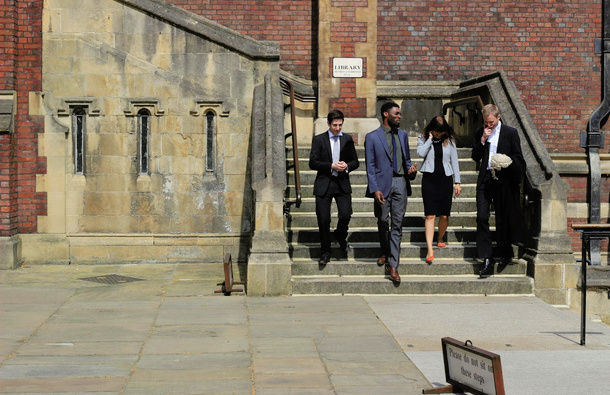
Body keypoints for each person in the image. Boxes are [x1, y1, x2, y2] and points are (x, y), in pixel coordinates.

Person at [364, 102, 417, 283]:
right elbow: (370, 166)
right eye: (396, 114)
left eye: (400, 114)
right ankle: (385, 251)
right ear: (386, 114)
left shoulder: (402, 135)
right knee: (382, 220)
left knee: (397, 224)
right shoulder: (372, 137)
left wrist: (411, 170)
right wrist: (375, 188)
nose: (399, 116)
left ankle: (393, 265)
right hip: (382, 184)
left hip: (400, 182)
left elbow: (407, 160)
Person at [472, 104, 526, 278]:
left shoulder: (510, 133)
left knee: (503, 218)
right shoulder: (482, 132)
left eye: (492, 122)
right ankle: (486, 257)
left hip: (503, 180)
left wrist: (507, 161)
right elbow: (475, 156)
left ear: (499, 117)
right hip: (486, 179)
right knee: (481, 216)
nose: (489, 125)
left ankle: (505, 252)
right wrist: (482, 140)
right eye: (486, 122)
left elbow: (519, 158)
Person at [309, 109, 359, 265]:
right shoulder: (319, 140)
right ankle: (325, 251)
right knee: (323, 219)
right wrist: (331, 166)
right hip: (325, 183)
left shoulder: (347, 139)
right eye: (335, 125)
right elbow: (312, 163)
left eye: (340, 125)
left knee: (345, 214)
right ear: (328, 124)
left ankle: (339, 234)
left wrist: (347, 166)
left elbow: (355, 161)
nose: (338, 128)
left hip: (342, 183)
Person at [417, 115, 461, 264]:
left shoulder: (450, 140)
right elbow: (421, 153)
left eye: (441, 132)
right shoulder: (423, 138)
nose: (439, 134)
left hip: (445, 180)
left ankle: (440, 237)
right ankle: (430, 248)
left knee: (444, 215)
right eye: (436, 131)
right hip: (429, 180)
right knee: (430, 215)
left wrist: (458, 182)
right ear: (432, 128)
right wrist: (430, 140)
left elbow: (454, 161)